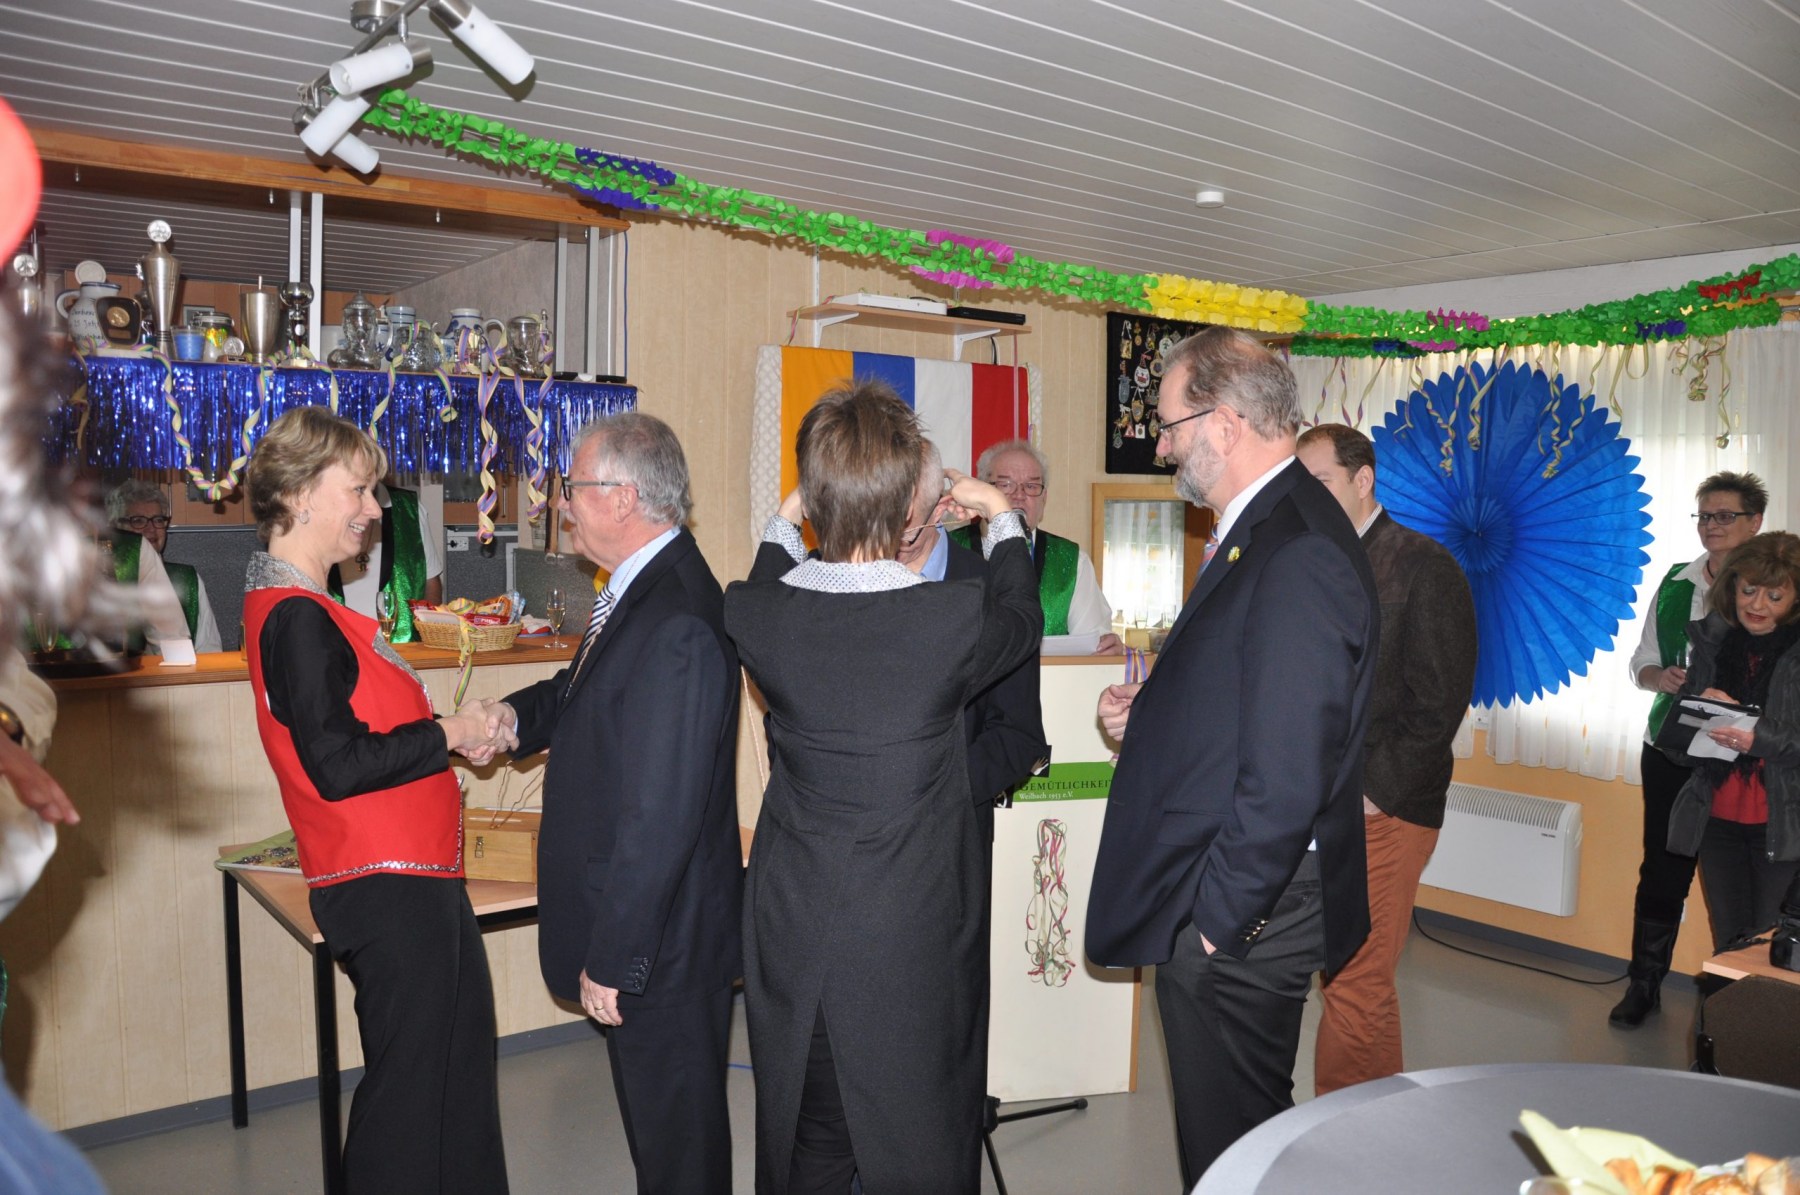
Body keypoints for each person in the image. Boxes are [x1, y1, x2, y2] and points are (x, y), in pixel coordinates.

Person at [726, 380, 1041, 1193]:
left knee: (812, 1137)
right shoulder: (952, 618)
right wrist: (1001, 514)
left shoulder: (757, 615)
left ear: (817, 502)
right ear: (912, 512)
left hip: (793, 926)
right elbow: (1021, 612)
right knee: (919, 1138)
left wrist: (791, 510)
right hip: (910, 938)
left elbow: (769, 569)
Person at [1085, 327, 1377, 1186]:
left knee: (1234, 1150)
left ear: (1223, 423)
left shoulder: (1299, 546)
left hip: (1250, 908)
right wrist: (1155, 711)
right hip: (1242, 897)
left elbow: (1290, 774)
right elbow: (1254, 697)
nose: (1162, 447)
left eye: (1169, 425)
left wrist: (1217, 923)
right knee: (1236, 1139)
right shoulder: (1265, 525)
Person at [242, 405, 512, 1195]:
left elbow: (359, 738)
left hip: (411, 879)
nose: (373, 507)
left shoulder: (305, 607)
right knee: (410, 1101)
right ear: (299, 495)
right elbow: (337, 763)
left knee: (454, 1077)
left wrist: (449, 736)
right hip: (384, 887)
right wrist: (452, 731)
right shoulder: (297, 617)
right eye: (357, 490)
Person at [487, 412, 743, 1194]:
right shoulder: (640, 590)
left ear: (624, 497)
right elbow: (583, 692)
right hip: (653, 935)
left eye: (573, 487)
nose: (561, 504)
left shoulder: (677, 619)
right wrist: (507, 720)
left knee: (679, 1155)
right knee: (664, 1146)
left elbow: (658, 816)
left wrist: (615, 957)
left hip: (661, 946)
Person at [1296, 423, 1477, 1092]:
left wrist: (1375, 792)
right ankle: (1374, 1117)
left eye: (1320, 482)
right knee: (1353, 978)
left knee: (1353, 978)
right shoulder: (1314, 559)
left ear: (1363, 480)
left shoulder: (1423, 565)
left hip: (1385, 806)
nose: (1305, 497)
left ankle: (1341, 1134)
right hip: (1320, 800)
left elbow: (1440, 701)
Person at [1612, 471, 1768, 1027]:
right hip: (1669, 749)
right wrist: (1660, 678)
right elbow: (1642, 660)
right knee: (1663, 867)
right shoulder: (1677, 581)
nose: (1711, 526)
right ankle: (1644, 984)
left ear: (1755, 522)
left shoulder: (1771, 591)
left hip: (1741, 760)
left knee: (1742, 879)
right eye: (1704, 515)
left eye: (1724, 515)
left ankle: (1740, 1002)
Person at [1664, 531, 1800, 952]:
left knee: (1767, 951)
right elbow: (1676, 748)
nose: (1757, 605)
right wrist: (1697, 714)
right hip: (1717, 818)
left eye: (1774, 596)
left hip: (1783, 824)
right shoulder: (1712, 643)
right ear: (1732, 586)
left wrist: (1755, 732)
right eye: (1748, 590)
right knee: (1728, 944)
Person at [951, 439, 1123, 653]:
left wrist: (1107, 649)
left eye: (1031, 486)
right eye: (1005, 485)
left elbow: (1092, 647)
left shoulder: (1072, 561)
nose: (1019, 495)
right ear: (981, 493)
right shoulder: (948, 549)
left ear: (1044, 499)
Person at [105, 478, 223, 652]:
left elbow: (209, 650)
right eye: (138, 521)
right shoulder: (104, 582)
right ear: (116, 527)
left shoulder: (186, 580)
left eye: (158, 520)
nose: (151, 529)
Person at [328, 479, 444, 643]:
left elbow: (431, 584)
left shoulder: (409, 509)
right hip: (337, 652)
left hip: (402, 653)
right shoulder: (320, 510)